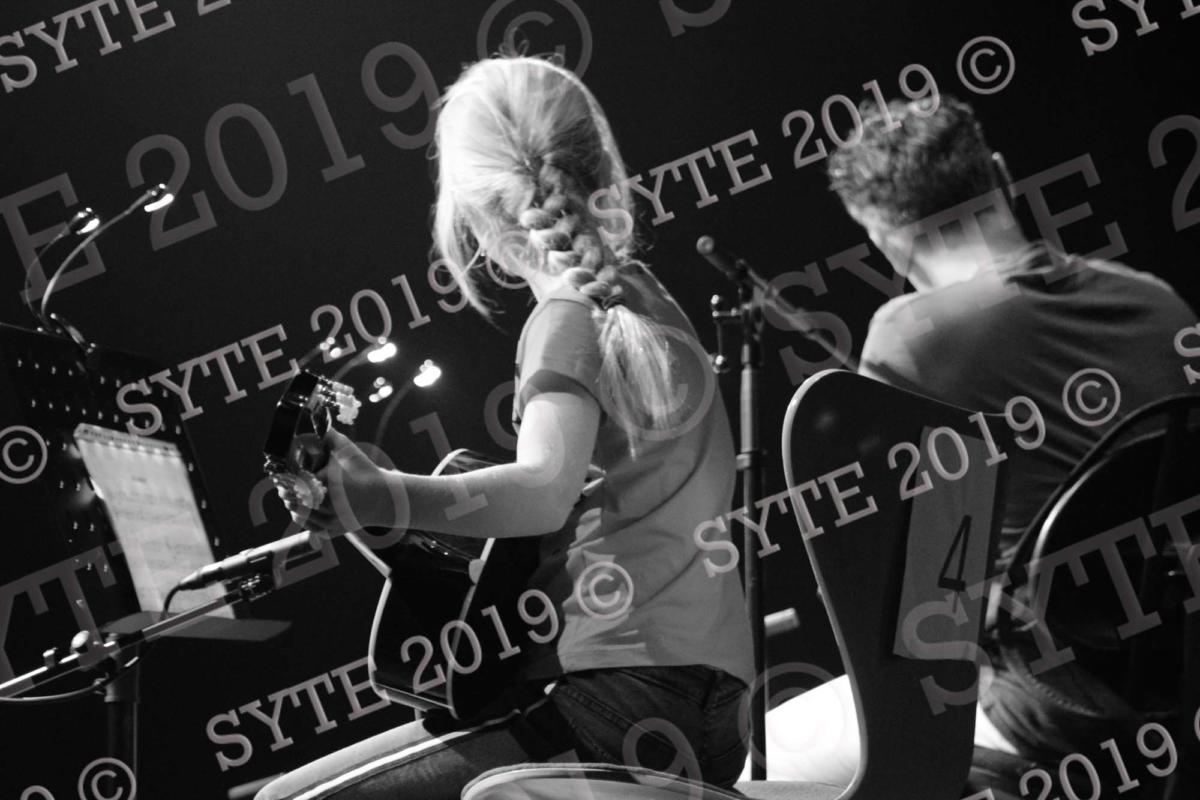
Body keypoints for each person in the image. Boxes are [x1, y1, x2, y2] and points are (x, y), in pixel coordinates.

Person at [257, 55, 754, 800]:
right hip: (717, 714)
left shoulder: (566, 319)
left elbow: (544, 491)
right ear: (600, 164)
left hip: (615, 697)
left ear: (476, 216)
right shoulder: (641, 298)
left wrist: (384, 494)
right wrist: (377, 503)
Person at [754, 96, 1198, 784]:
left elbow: (908, 596)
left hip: (1047, 701)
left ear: (882, 238)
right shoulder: (1155, 299)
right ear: (1000, 173)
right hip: (1181, 669)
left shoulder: (908, 338)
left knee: (765, 755)